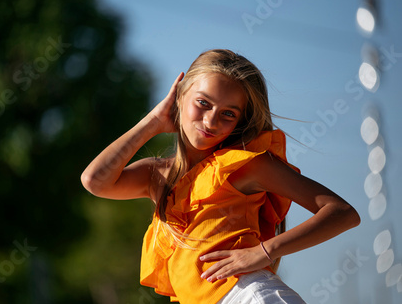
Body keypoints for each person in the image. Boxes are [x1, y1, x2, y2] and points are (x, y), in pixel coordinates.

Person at [81, 49, 360, 303]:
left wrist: (263, 252)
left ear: (240, 121)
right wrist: (153, 122)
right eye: (202, 103)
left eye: (228, 113)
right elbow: (95, 181)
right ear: (179, 97)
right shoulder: (157, 175)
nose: (211, 121)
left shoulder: (246, 165)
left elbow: (343, 212)